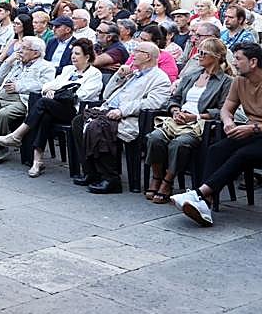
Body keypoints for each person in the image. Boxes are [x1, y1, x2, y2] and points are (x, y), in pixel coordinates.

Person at [171, 42, 262, 226]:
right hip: (250, 131)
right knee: (216, 150)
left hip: (256, 131)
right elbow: (226, 109)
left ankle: (198, 194)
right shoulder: (239, 81)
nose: (233, 63)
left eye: (238, 59)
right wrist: (228, 123)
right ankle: (206, 203)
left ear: (253, 62)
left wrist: (254, 128)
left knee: (243, 154)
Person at [72, 41, 172, 194]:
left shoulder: (159, 78)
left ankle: (111, 178)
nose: (133, 54)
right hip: (107, 110)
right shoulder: (133, 73)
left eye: (137, 51)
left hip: (129, 118)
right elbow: (106, 95)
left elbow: (153, 103)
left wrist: (122, 110)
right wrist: (118, 76)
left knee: (97, 127)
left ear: (147, 57)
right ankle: (91, 171)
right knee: (78, 122)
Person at [0, 39, 104, 177]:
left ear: (87, 57)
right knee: (45, 116)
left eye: (77, 54)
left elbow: (83, 94)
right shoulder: (68, 69)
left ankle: (17, 135)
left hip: (77, 112)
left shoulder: (94, 74)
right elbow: (47, 86)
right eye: (72, 53)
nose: (73, 57)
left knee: (43, 103)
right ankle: (36, 161)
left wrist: (57, 91)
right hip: (58, 107)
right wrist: (57, 90)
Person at [143, 37, 232, 204]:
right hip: (179, 118)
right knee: (154, 138)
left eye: (203, 53)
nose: (198, 55)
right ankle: (157, 177)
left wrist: (196, 116)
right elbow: (174, 98)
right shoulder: (192, 76)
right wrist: (175, 111)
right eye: (198, 52)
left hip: (200, 123)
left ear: (216, 56)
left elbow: (223, 110)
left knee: (179, 143)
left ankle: (167, 182)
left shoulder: (226, 81)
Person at [0, 36, 56, 164]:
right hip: (0, 96)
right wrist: (8, 61)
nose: (20, 51)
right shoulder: (16, 62)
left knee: (3, 114)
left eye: (24, 48)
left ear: (36, 53)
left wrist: (19, 87)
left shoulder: (46, 67)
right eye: (20, 48)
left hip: (21, 100)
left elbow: (44, 86)